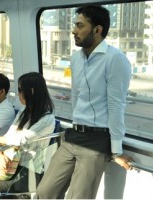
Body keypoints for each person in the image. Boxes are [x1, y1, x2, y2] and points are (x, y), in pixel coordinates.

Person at [36, 5, 133, 199]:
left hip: (96, 141)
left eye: (80, 26)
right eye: (75, 25)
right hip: (72, 136)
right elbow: (76, 96)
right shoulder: (76, 58)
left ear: (97, 30)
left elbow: (116, 105)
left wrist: (116, 151)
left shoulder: (115, 59)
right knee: (44, 192)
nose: (74, 31)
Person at [0, 72, 55, 199]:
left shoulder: (47, 119)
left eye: (19, 89)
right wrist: (3, 140)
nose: (18, 94)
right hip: (10, 164)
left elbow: (22, 140)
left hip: (27, 171)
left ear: (32, 91)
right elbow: (11, 134)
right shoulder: (24, 112)